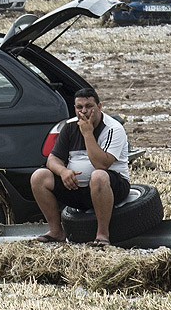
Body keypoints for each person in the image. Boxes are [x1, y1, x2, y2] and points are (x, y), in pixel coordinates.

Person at [29, 87, 130, 246]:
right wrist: (63, 172)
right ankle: (56, 231)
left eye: (89, 106)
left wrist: (88, 134)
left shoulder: (113, 128)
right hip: (77, 189)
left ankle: (102, 234)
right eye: (79, 107)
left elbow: (101, 164)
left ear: (99, 107)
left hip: (111, 187)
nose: (84, 112)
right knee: (39, 177)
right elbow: (52, 159)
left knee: (98, 176)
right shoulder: (69, 127)